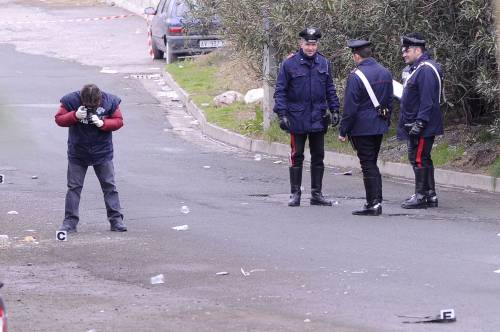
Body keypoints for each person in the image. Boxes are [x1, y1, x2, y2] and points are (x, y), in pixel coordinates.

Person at [274, 27, 341, 207]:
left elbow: (330, 89)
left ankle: (316, 194)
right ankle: (295, 193)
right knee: (296, 155)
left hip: (318, 117)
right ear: (300, 44)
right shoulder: (289, 64)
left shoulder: (324, 63)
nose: (311, 48)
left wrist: (335, 109)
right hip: (297, 117)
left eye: (313, 44)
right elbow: (280, 91)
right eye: (307, 44)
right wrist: (282, 114)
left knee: (318, 156)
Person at [55, 84, 127, 232]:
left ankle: (116, 220)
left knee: (109, 186)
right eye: (88, 105)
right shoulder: (70, 100)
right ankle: (69, 222)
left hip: (102, 152)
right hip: (78, 152)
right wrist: (74, 116)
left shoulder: (111, 101)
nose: (91, 107)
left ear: (100, 98)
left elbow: (119, 121)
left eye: (94, 105)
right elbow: (59, 119)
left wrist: (104, 123)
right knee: (74, 188)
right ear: (81, 98)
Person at [338, 40, 393, 216]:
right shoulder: (385, 71)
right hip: (379, 125)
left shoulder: (356, 76)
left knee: (368, 164)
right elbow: (389, 100)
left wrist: (343, 130)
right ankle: (375, 201)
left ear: (356, 56)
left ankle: (373, 203)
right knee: (372, 162)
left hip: (362, 127)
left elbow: (350, 107)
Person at [398, 33, 443, 209]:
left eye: (406, 50)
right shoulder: (420, 68)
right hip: (418, 123)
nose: (404, 54)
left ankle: (422, 196)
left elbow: (427, 100)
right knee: (423, 158)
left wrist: (420, 123)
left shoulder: (425, 69)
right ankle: (430, 194)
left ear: (417, 50)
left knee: (418, 159)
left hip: (422, 125)